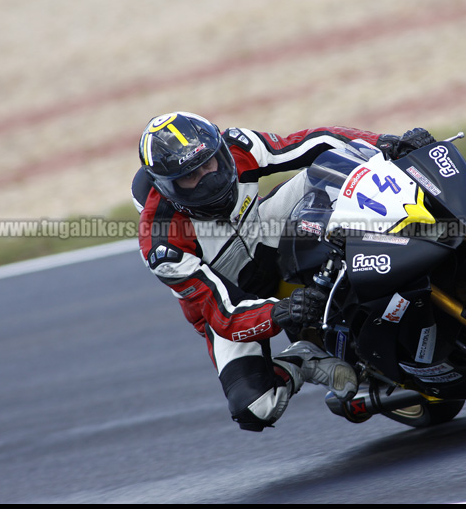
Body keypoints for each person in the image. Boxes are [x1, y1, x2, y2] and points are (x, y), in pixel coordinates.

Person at [131, 111, 435, 432]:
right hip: (235, 295)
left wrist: (389, 144)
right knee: (255, 406)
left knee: (333, 167)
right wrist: (281, 312)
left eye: (210, 163)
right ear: (167, 187)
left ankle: (416, 223)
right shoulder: (163, 245)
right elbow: (223, 315)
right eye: (192, 176)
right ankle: (305, 360)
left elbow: (313, 141)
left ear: (219, 150)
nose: (210, 177)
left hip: (265, 232)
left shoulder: (238, 147)